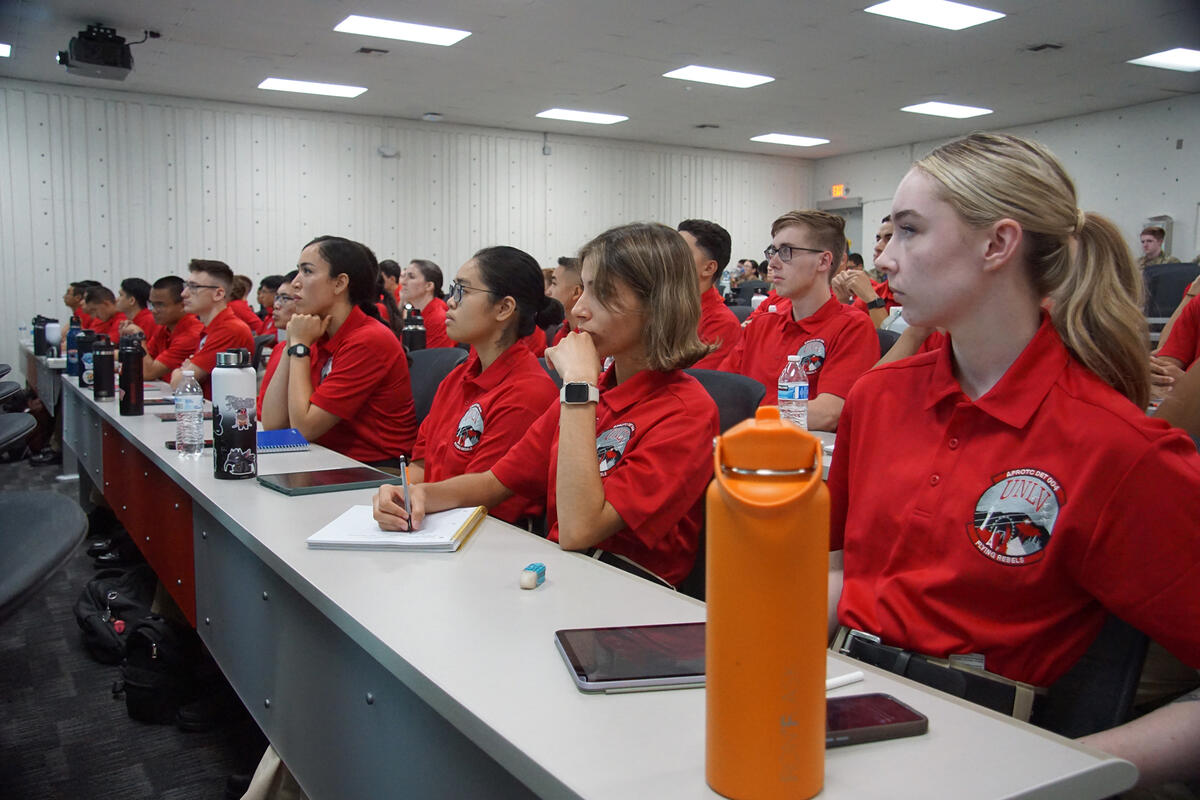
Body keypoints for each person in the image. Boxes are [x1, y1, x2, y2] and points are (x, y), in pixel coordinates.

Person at [827, 132, 1200, 790]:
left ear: (998, 245)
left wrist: (1073, 773)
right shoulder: (878, 399)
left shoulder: (1115, 447)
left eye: (909, 231)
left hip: (980, 752)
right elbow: (841, 573)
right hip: (840, 702)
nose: (883, 260)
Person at [373, 222, 719, 588]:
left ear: (656, 305)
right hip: (570, 575)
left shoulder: (685, 411)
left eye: (601, 293)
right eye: (582, 289)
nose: (579, 309)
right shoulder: (597, 388)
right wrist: (417, 495)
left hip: (631, 596)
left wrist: (580, 390)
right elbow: (496, 482)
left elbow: (579, 528)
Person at [402, 246, 559, 524]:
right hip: (434, 521)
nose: (450, 301)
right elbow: (420, 464)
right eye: (452, 289)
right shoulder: (457, 377)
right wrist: (400, 498)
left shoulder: (528, 393)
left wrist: (417, 498)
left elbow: (485, 496)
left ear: (504, 308)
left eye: (463, 291)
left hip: (485, 536)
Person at [261, 236, 417, 466]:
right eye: (298, 271)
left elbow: (304, 428)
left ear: (339, 283)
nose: (295, 282)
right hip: (327, 460)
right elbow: (272, 424)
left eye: (307, 271)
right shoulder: (315, 331)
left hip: (374, 471)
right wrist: (295, 341)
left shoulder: (368, 340)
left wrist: (299, 347)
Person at [719, 210, 878, 431]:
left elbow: (829, 412)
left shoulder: (852, 326)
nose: (772, 263)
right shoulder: (760, 325)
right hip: (747, 447)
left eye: (786, 252)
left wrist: (749, 416)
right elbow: (723, 393)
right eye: (772, 251)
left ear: (823, 261)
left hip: (801, 455)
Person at [169, 260, 256, 398]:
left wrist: (184, 369)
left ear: (218, 294)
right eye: (186, 285)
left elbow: (178, 383)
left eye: (193, 287)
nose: (184, 294)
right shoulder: (212, 328)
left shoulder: (229, 329)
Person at [678, 219, 741, 368]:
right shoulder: (657, 307)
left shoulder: (722, 324)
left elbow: (693, 382)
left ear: (708, 268)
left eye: (680, 252)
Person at [122, 276, 205, 381]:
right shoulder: (163, 328)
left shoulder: (191, 334)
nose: (154, 310)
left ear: (182, 305)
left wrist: (138, 337)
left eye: (160, 305)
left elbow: (147, 373)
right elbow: (139, 365)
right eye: (152, 304)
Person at [255, 271, 297, 418]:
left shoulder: (302, 352)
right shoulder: (281, 347)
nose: (276, 305)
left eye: (285, 298)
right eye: (277, 298)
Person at [400, 259, 453, 348]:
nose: (403, 282)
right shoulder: (415, 312)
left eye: (411, 277)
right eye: (404, 276)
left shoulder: (439, 319)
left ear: (429, 286)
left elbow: (432, 359)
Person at [546, 256, 584, 345]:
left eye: (554, 284)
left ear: (576, 292)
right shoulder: (562, 333)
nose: (548, 292)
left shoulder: (590, 340)